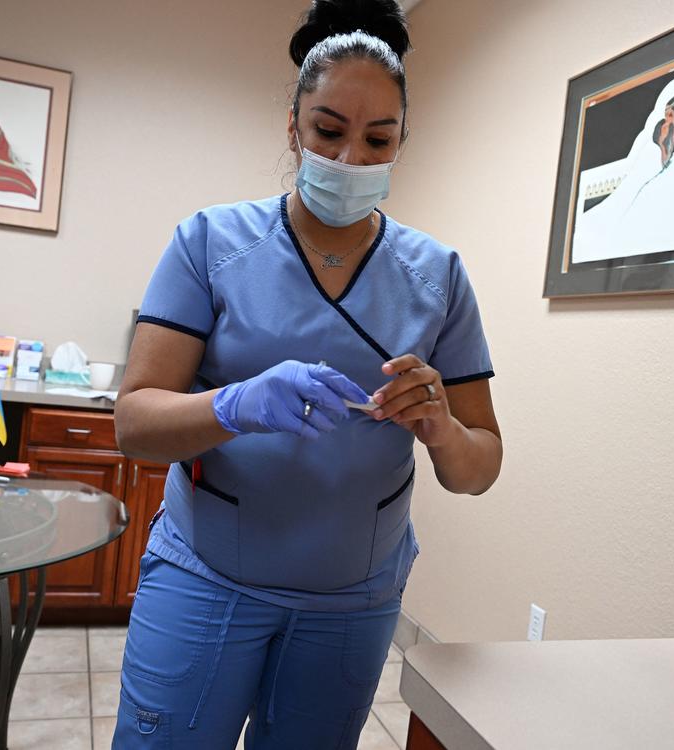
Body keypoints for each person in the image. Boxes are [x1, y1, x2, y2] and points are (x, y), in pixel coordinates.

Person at [113, 0, 502, 747]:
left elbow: (479, 468)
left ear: (400, 145)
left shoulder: (438, 277)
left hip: (352, 600)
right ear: (292, 127)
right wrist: (235, 404)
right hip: (208, 578)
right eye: (329, 131)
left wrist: (442, 428)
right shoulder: (208, 243)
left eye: (377, 139)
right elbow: (134, 425)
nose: (351, 159)